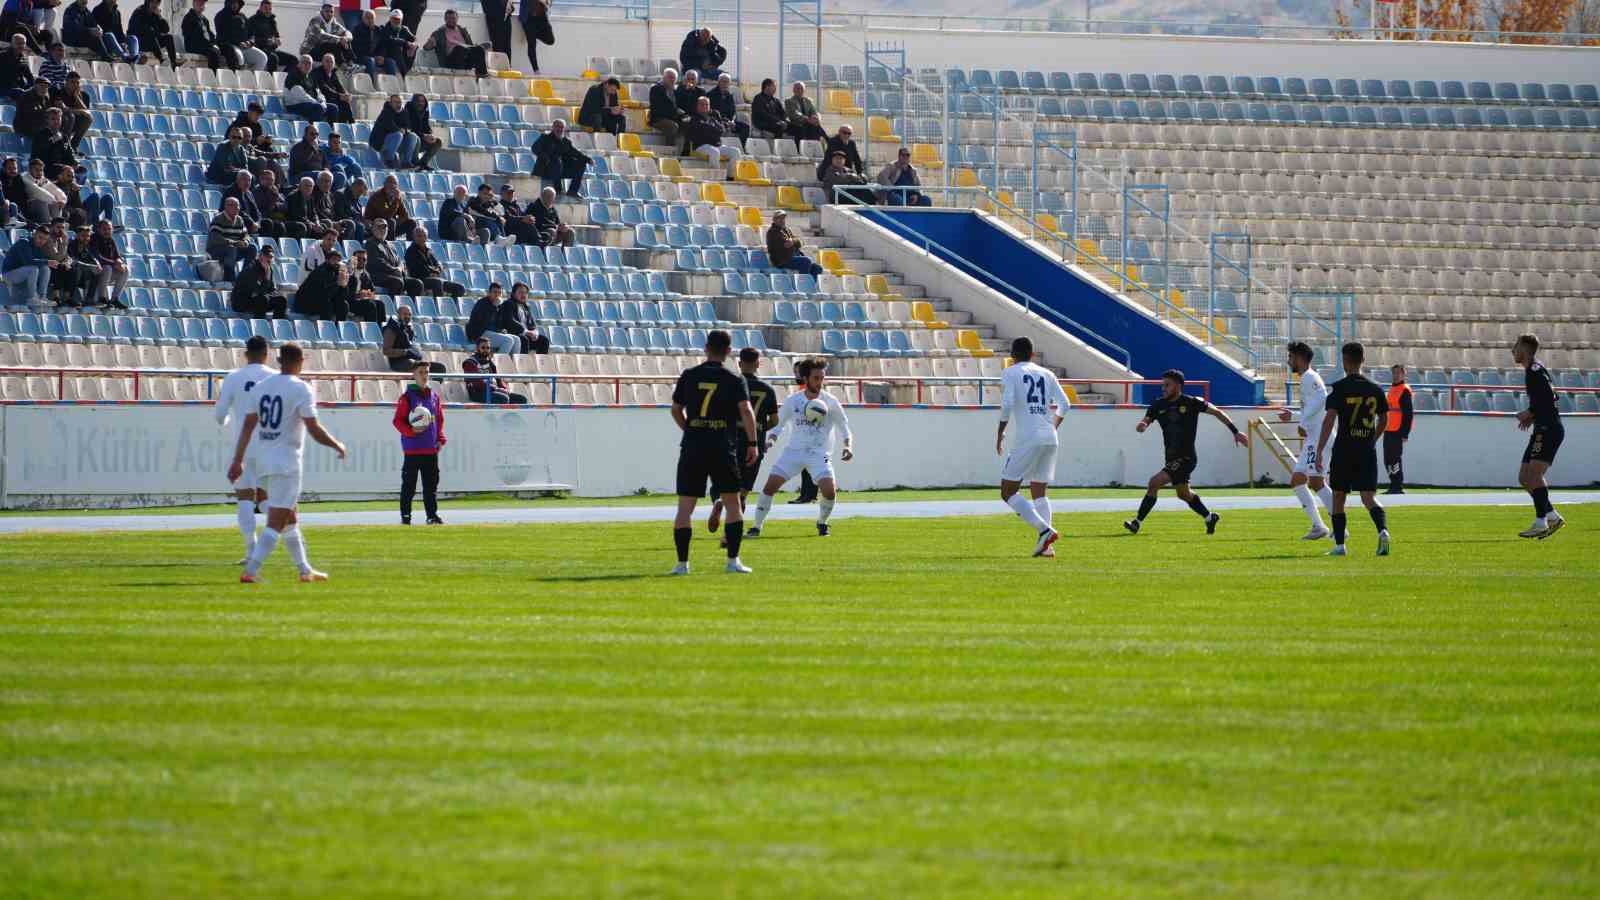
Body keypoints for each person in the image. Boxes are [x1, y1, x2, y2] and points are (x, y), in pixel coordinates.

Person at [230, 342, 348, 583]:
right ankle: (251, 571)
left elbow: (247, 427)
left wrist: (238, 460)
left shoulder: (261, 388)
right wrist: (337, 444)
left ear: (279, 360)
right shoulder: (301, 389)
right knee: (277, 521)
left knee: (290, 518)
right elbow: (313, 429)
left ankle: (305, 570)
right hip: (286, 463)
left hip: (263, 462)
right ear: (300, 361)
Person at [669, 328, 757, 575]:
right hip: (722, 447)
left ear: (706, 348)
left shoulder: (689, 375)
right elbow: (747, 411)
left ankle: (682, 564)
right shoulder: (734, 379)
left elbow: (676, 410)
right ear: (729, 352)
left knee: (685, 507)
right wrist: (752, 444)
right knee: (732, 504)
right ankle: (732, 562)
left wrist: (690, 429)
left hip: (693, 446)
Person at [1123, 369, 1247, 535]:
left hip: (1186, 457)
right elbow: (1147, 419)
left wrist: (1235, 431)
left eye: (1167, 385)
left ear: (1178, 386)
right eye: (1163, 385)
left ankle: (1136, 523)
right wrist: (1142, 425)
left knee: (1154, 483)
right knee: (1183, 494)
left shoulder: (1191, 402)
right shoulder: (1158, 405)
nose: (1163, 388)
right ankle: (1210, 517)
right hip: (1171, 457)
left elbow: (1217, 412)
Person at [747, 356, 854, 538]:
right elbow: (778, 426)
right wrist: (770, 440)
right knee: (769, 487)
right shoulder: (793, 401)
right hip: (793, 453)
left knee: (829, 490)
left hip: (818, 454)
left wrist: (848, 446)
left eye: (822, 378)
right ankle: (756, 526)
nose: (820, 382)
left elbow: (845, 428)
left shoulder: (830, 401)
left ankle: (822, 523)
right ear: (805, 379)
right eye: (816, 378)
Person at [1314, 342, 1391, 557]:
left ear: (1345, 361)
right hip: (1366, 450)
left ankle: (1340, 546)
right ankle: (1383, 530)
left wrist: (1320, 449)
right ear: (1363, 360)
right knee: (1368, 497)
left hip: (1344, 450)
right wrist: (1373, 439)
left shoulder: (1340, 388)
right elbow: (1384, 418)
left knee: (1339, 496)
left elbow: (1329, 420)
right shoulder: (1376, 389)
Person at [996, 337, 1071, 557]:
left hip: (1028, 438)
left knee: (1007, 491)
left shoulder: (1010, 372)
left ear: (1012, 355)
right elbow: (1065, 404)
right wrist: (1053, 426)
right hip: (1050, 436)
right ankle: (1046, 546)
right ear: (1032, 354)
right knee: (1039, 490)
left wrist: (1000, 432)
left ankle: (1044, 530)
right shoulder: (1047, 373)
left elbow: (1008, 403)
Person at [706, 346, 777, 546]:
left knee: (722, 485)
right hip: (754, 445)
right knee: (742, 493)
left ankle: (719, 502)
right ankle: (728, 537)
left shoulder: (730, 384)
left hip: (730, 440)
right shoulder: (767, 390)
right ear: (758, 364)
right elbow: (775, 419)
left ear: (739, 363)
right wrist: (760, 428)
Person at [214, 335, 275, 563]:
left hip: (244, 445)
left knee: (245, 498)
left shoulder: (234, 377)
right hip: (271, 446)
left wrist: (229, 422)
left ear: (246, 354)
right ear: (267, 354)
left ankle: (251, 550)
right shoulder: (276, 378)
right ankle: (292, 534)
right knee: (268, 498)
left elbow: (220, 415)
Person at [1277, 341, 1334, 540]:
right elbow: (1313, 406)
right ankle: (1319, 526)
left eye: (1291, 357)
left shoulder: (1310, 377)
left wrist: (1302, 420)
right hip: (1313, 437)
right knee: (1297, 481)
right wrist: (1293, 414)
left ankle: (1340, 526)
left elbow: (1322, 398)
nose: (1289, 361)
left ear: (1300, 358)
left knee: (1317, 482)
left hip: (1318, 439)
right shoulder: (1306, 378)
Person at [1512, 333, 1566, 539]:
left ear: (1525, 349)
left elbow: (1547, 399)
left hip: (1549, 429)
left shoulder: (1534, 371)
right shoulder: (1535, 369)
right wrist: (1532, 416)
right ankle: (1551, 516)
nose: (1513, 351)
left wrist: (1529, 413)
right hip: (1543, 427)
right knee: (1524, 477)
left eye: (1516, 346)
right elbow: (1551, 397)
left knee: (1533, 475)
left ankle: (1541, 522)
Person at [393, 359, 444, 525]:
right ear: (413, 375)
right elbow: (398, 421)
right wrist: (411, 431)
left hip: (430, 449)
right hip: (413, 450)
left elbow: (439, 419)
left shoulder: (434, 396)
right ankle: (406, 517)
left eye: (427, 372)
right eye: (421, 372)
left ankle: (432, 516)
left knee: (431, 487)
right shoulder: (407, 397)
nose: (424, 376)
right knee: (409, 486)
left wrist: (440, 438)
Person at [295, 246, 360, 321]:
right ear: (327, 260)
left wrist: (343, 286)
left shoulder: (337, 271)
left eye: (338, 260)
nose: (336, 262)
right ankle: (326, 329)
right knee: (327, 304)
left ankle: (339, 328)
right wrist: (338, 284)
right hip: (306, 302)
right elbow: (324, 293)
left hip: (320, 300)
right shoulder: (320, 271)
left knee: (343, 304)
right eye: (334, 260)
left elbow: (341, 296)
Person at [530, 118, 588, 198]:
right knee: (556, 160)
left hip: (561, 170)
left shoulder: (566, 141)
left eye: (561, 127)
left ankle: (572, 191)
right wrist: (546, 157)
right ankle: (557, 189)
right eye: (557, 126)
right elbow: (534, 148)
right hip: (547, 169)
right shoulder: (545, 138)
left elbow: (575, 153)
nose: (559, 129)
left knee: (581, 163)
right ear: (553, 127)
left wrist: (587, 159)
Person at [683, 95, 738, 177]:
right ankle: (716, 177)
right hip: (701, 146)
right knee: (714, 152)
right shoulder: (694, 118)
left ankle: (730, 176)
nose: (705, 106)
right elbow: (704, 132)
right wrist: (713, 130)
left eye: (707, 105)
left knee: (735, 152)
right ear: (697, 106)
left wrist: (711, 129)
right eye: (702, 104)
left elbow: (721, 129)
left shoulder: (712, 119)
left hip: (716, 145)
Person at [422, 8, 486, 77]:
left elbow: (471, 46)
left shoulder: (463, 31)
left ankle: (482, 76)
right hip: (450, 61)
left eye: (453, 18)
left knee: (480, 49)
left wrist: (476, 47)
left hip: (466, 59)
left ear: (457, 18)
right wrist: (430, 43)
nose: (451, 20)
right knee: (459, 48)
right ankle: (460, 76)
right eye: (448, 18)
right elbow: (426, 47)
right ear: (445, 19)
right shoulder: (439, 32)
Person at [462, 335, 526, 404]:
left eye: (488, 348)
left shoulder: (489, 362)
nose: (486, 350)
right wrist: (496, 388)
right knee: (503, 398)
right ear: (477, 348)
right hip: (478, 393)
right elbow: (477, 384)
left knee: (521, 399)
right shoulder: (470, 363)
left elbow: (498, 379)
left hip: (492, 390)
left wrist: (504, 388)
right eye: (483, 348)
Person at [364, 218, 421, 294]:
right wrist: (394, 270)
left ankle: (410, 304)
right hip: (378, 275)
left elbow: (398, 260)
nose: (382, 229)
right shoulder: (370, 243)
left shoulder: (391, 245)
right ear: (373, 229)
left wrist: (400, 268)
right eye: (379, 227)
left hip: (393, 274)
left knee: (417, 283)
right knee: (397, 282)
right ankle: (394, 304)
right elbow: (377, 262)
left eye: (384, 227)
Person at [229, 243, 288, 317]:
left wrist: (276, 294)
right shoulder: (251, 268)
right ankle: (260, 325)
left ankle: (278, 324)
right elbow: (257, 292)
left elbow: (271, 289)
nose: (269, 259)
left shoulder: (268, 269)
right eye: (267, 256)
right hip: (241, 301)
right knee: (262, 299)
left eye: (271, 257)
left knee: (281, 300)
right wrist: (267, 277)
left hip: (256, 299)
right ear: (260, 256)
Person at [207, 195, 255, 281]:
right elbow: (215, 238)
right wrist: (232, 242)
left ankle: (245, 276)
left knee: (252, 248)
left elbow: (246, 235)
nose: (236, 207)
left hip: (234, 248)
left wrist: (245, 242)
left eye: (237, 205)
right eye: (232, 205)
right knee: (231, 249)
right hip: (217, 250)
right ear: (226, 207)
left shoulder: (240, 220)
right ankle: (229, 277)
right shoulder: (218, 219)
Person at [64, 0, 132, 60]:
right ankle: (108, 56)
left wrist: (98, 28)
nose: (85, 2)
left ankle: (129, 56)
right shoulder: (71, 10)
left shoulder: (86, 11)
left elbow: (94, 24)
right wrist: (89, 30)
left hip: (85, 38)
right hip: (74, 39)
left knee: (109, 35)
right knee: (103, 36)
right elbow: (73, 27)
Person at [464, 281, 519, 355]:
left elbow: (500, 323)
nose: (497, 295)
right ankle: (498, 364)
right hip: (480, 334)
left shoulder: (499, 305)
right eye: (495, 292)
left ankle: (513, 363)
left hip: (492, 333)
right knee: (508, 340)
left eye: (499, 293)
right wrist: (494, 307)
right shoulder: (482, 304)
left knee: (516, 339)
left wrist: (501, 330)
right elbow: (483, 323)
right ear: (489, 293)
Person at [405, 227, 462, 297]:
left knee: (459, 288)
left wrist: (436, 271)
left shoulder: (429, 251)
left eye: (424, 236)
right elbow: (418, 268)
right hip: (420, 279)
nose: (422, 238)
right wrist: (432, 271)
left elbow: (438, 265)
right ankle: (439, 305)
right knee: (437, 282)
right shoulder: (410, 251)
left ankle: (451, 305)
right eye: (419, 236)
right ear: (414, 237)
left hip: (434, 278)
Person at [1, 225, 51, 306]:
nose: (42, 241)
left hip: (22, 274)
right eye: (40, 237)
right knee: (34, 268)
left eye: (45, 239)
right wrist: (47, 261)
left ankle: (42, 297)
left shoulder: (40, 247)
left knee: (46, 268)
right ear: (34, 234)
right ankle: (31, 298)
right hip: (8, 275)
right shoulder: (24, 242)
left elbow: (42, 262)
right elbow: (28, 262)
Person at [1383, 364, 1414, 494]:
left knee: (1395, 458)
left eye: (1398, 373)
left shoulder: (1404, 390)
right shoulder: (1392, 389)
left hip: (1397, 430)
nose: (1395, 376)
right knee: (1387, 459)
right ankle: (1393, 483)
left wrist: (1405, 433)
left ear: (1403, 374)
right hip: (1388, 429)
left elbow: (1408, 414)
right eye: (1394, 373)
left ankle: (1397, 485)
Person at [496, 281, 548, 353]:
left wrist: (535, 332)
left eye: (525, 293)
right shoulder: (508, 304)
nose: (523, 295)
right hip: (513, 334)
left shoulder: (526, 306)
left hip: (526, 334)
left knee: (543, 340)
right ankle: (523, 363)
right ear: (513, 294)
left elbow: (532, 323)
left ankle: (541, 363)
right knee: (523, 339)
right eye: (520, 292)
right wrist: (526, 331)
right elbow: (509, 321)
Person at [764, 210, 820, 277]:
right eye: (779, 218)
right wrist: (792, 242)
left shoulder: (786, 230)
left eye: (783, 218)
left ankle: (809, 285)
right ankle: (802, 284)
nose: (782, 220)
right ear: (774, 220)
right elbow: (786, 244)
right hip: (781, 260)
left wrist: (792, 241)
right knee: (806, 261)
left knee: (817, 268)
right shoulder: (772, 232)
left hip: (792, 257)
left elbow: (798, 242)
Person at [87, 217, 127, 307]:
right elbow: (98, 257)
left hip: (106, 274)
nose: (107, 231)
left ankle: (114, 299)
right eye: (104, 229)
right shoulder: (93, 239)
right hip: (95, 273)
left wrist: (120, 262)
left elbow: (117, 256)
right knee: (108, 268)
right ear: (98, 229)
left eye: (109, 229)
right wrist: (114, 263)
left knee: (125, 270)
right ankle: (102, 298)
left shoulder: (111, 240)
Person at [382, 304, 436, 372]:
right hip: (398, 363)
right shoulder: (391, 329)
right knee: (414, 364)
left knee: (439, 367)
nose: (407, 316)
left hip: (413, 361)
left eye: (409, 314)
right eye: (405, 314)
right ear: (398, 315)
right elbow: (386, 351)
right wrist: (406, 352)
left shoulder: (409, 329)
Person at [284, 54, 338, 122]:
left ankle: (330, 130)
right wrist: (316, 103)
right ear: (299, 64)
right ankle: (312, 129)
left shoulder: (311, 77)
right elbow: (301, 96)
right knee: (318, 108)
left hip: (310, 103)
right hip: (294, 105)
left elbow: (319, 93)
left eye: (309, 63)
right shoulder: (293, 76)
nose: (307, 65)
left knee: (333, 108)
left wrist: (323, 102)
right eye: (305, 63)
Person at [214, 0, 266, 69]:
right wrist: (238, 43)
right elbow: (222, 35)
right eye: (232, 2)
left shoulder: (242, 16)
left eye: (236, 2)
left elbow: (252, 33)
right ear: (228, 3)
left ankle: (252, 79)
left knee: (262, 58)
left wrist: (249, 42)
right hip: (231, 46)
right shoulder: (220, 16)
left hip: (245, 46)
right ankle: (237, 78)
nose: (235, 5)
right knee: (239, 58)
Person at [127, 0, 178, 69]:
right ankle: (161, 59)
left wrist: (160, 17)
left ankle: (173, 63)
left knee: (168, 38)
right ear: (148, 2)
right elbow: (138, 30)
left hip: (153, 42)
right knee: (150, 32)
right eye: (153, 2)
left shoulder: (155, 14)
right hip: (139, 42)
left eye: (158, 3)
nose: (155, 4)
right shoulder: (139, 12)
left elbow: (166, 30)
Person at [29, 107, 78, 180]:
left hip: (62, 168)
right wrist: (52, 141)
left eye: (58, 119)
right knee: (66, 172)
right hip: (46, 168)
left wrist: (75, 163)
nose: (56, 122)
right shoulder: (40, 135)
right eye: (53, 119)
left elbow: (69, 152)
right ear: (47, 120)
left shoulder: (63, 136)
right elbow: (39, 154)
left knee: (80, 170)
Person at [247, 0, 296, 70]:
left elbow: (277, 36)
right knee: (273, 58)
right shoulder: (253, 20)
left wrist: (278, 41)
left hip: (271, 50)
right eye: (265, 8)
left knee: (293, 59)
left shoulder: (272, 21)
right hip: (259, 50)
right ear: (260, 8)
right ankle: (271, 79)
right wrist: (266, 41)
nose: (268, 11)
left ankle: (284, 78)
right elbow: (250, 39)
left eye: (270, 9)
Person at [181, 0, 227, 70]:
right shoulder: (189, 18)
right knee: (213, 52)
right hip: (194, 46)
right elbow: (193, 37)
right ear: (193, 4)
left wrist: (215, 43)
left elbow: (210, 34)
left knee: (227, 48)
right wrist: (210, 45)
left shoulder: (204, 19)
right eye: (199, 2)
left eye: (203, 3)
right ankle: (214, 75)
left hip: (206, 45)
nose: (201, 5)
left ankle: (232, 72)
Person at [350, 7, 395, 78]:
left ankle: (392, 84)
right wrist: (374, 57)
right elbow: (358, 48)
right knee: (370, 61)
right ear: (363, 19)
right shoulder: (357, 29)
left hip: (375, 57)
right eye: (367, 18)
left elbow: (382, 45)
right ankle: (371, 84)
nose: (370, 20)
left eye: (372, 18)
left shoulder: (378, 30)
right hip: (361, 57)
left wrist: (381, 56)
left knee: (391, 61)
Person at [310, 51, 354, 123]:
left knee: (345, 102)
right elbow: (324, 88)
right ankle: (335, 126)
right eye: (327, 61)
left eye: (331, 62)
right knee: (337, 104)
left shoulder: (333, 73)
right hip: (321, 98)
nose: (329, 64)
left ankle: (350, 124)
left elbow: (339, 86)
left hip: (333, 97)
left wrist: (346, 95)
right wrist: (340, 96)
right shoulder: (317, 72)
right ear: (322, 62)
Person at [646, 68, 685, 148]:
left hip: (672, 118)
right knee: (673, 126)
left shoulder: (675, 91)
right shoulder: (656, 89)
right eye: (670, 77)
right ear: (664, 78)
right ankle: (670, 149)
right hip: (658, 119)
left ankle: (683, 152)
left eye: (673, 78)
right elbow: (659, 109)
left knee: (688, 123)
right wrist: (676, 112)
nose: (672, 79)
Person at [19, 156, 64, 222]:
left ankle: (57, 224)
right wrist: (54, 201)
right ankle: (46, 225)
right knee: (42, 203)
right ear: (30, 169)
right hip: (27, 205)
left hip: (45, 201)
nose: (39, 172)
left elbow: (55, 190)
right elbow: (37, 191)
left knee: (57, 204)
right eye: (37, 170)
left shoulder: (42, 178)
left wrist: (62, 200)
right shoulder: (24, 177)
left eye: (41, 170)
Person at [707, 73, 748, 145]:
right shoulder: (711, 95)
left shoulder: (729, 95)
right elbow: (711, 112)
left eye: (727, 82)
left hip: (729, 121)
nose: (725, 84)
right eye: (723, 81)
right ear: (719, 82)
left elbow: (733, 111)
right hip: (717, 121)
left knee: (745, 127)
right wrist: (724, 121)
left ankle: (742, 146)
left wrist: (732, 121)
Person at [55, 70, 91, 150]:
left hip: (75, 123)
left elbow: (86, 112)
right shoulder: (59, 92)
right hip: (61, 121)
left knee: (88, 119)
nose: (75, 85)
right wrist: (78, 111)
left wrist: (77, 97)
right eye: (72, 82)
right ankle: (64, 144)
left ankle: (74, 146)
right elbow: (62, 109)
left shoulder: (84, 95)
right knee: (70, 116)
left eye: (77, 83)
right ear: (66, 82)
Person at [375, 7, 416, 75]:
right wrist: (406, 43)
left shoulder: (404, 29)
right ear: (390, 18)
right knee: (396, 48)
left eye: (398, 19)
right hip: (386, 55)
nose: (396, 21)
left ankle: (406, 72)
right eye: (394, 18)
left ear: (401, 20)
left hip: (400, 56)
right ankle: (403, 75)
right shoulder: (383, 28)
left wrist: (413, 46)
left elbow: (414, 39)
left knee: (411, 49)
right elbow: (391, 40)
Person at [516, 0, 551, 72]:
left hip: (540, 16)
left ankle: (534, 34)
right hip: (528, 17)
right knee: (531, 43)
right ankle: (536, 70)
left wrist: (548, 2)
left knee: (550, 40)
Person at [333, 175, 367, 240]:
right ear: (353, 186)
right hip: (341, 221)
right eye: (359, 191)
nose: (360, 194)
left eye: (362, 191)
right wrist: (355, 220)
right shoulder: (341, 194)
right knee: (360, 226)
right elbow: (340, 213)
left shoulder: (356, 196)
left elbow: (358, 212)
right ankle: (357, 248)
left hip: (354, 221)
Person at [0, 33, 32, 98]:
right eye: (18, 43)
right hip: (3, 89)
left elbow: (29, 76)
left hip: (18, 89)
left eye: (23, 43)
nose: (21, 46)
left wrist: (33, 87)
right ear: (12, 43)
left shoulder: (23, 58)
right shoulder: (2, 56)